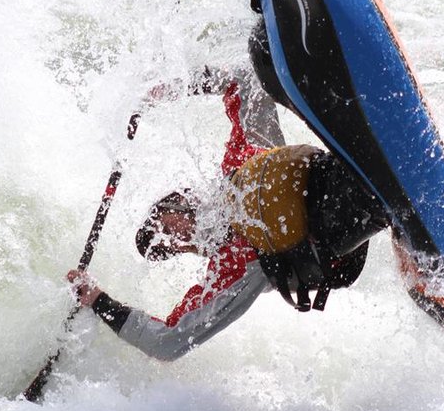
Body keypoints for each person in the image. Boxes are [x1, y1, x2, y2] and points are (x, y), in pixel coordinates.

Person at [68, 19, 390, 362]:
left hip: (338, 168)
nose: (176, 240)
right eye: (171, 248)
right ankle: (391, 201)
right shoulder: (234, 269)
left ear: (184, 196)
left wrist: (170, 88)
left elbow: (244, 81)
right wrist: (96, 299)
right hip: (342, 235)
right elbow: (166, 343)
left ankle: (340, 48)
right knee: (358, 199)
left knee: (261, 51)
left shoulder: (241, 164)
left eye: (164, 224)